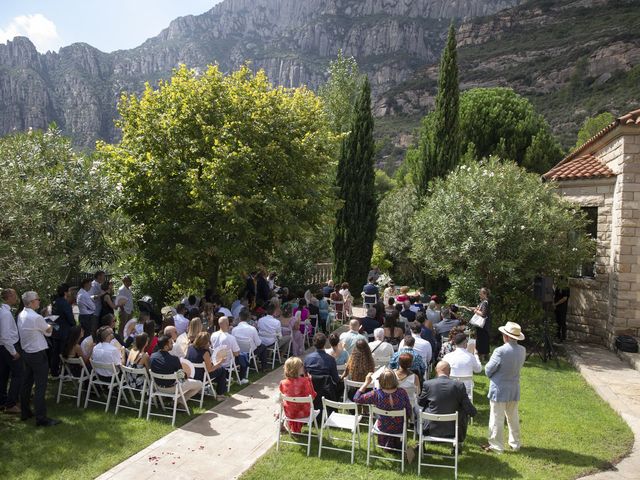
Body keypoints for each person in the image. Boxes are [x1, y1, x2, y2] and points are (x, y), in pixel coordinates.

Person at [483, 322, 526, 454]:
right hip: (513, 388)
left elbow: (488, 370)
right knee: (513, 417)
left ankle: (497, 446)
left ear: (506, 336)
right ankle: (515, 443)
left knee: (497, 418)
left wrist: (494, 375)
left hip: (499, 388)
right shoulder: (522, 350)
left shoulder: (500, 351)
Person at [18, 291, 59, 426]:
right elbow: (48, 332)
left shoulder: (21, 314)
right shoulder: (35, 317)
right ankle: (41, 418)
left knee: (27, 383)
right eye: (37, 299)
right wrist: (50, 324)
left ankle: (25, 412)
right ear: (30, 302)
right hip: (37, 353)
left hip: (27, 353)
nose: (39, 301)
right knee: (40, 386)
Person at [418, 361, 478, 450]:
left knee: (420, 408)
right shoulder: (459, 385)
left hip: (430, 428)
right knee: (463, 410)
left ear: (435, 370)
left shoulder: (428, 384)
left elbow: (420, 403)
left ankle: (420, 443)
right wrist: (473, 412)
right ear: (449, 371)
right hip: (454, 430)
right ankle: (458, 444)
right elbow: (468, 407)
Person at [354, 369, 412, 450]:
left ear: (380, 380)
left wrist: (366, 383)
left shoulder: (375, 394)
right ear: (395, 379)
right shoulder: (402, 392)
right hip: (399, 427)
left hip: (383, 426)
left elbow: (356, 398)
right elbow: (409, 410)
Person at [150, 335, 203, 403]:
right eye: (171, 343)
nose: (173, 344)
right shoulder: (174, 359)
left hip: (157, 387)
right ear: (166, 347)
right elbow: (182, 378)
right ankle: (179, 401)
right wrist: (187, 376)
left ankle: (169, 400)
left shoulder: (152, 357)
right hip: (172, 388)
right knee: (199, 384)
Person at [279, 357, 317, 433]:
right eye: (301, 365)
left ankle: (283, 423)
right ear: (297, 369)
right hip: (305, 413)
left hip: (290, 414)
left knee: (283, 403)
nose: (303, 367)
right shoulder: (306, 381)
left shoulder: (283, 383)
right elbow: (312, 397)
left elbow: (282, 396)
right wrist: (310, 381)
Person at [0, 288, 22, 414]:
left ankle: (2, 401)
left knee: (3, 375)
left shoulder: (4, 311)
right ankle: (11, 404)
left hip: (4, 347)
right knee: (18, 374)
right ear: (8, 297)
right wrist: (13, 351)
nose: (16, 297)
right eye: (14, 295)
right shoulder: (5, 314)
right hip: (8, 346)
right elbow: (5, 335)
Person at [186, 332, 227, 397]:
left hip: (191, 374)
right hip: (201, 376)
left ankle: (212, 388)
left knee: (218, 370)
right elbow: (209, 369)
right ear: (206, 342)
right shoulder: (205, 353)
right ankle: (220, 394)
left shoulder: (190, 347)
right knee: (222, 370)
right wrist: (220, 362)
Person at [210, 316, 248, 385]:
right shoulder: (231, 338)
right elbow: (236, 353)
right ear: (228, 324)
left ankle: (227, 377)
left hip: (216, 361)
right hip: (227, 362)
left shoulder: (213, 335)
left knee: (242, 355)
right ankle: (242, 378)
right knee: (243, 356)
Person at [50, 283, 76, 376]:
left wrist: (56, 328)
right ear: (66, 292)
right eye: (69, 291)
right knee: (65, 353)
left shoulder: (55, 302)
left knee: (55, 353)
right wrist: (74, 325)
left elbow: (51, 318)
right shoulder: (65, 303)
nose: (70, 293)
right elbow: (70, 318)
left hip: (56, 331)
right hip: (65, 332)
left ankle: (54, 372)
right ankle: (64, 372)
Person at [463, 287, 491, 362]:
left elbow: (483, 314)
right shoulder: (484, 302)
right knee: (483, 340)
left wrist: (475, 311)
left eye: (481, 294)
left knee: (481, 341)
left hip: (482, 326)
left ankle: (481, 357)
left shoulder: (485, 302)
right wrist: (470, 308)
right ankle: (484, 356)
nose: (479, 295)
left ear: (485, 294)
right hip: (483, 326)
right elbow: (479, 309)